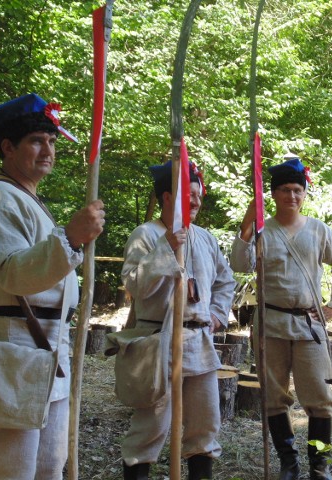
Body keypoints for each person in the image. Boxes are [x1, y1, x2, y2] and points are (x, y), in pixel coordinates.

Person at [0, 93, 105, 479]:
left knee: (47, 465)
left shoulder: (28, 199)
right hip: (15, 347)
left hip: (46, 348)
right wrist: (72, 237)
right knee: (7, 469)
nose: (48, 150)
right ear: (8, 147)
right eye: (36, 141)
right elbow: (14, 274)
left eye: (53, 141)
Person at [230, 154, 332, 480]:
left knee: (320, 397)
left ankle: (319, 465)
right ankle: (288, 463)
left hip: (309, 324)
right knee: (273, 397)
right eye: (285, 189)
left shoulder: (318, 231)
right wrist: (245, 228)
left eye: (298, 190)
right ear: (273, 194)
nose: (292, 196)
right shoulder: (262, 231)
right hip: (270, 324)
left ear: (304, 193)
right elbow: (240, 266)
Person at [119, 160, 235, 480]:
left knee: (205, 423)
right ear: (167, 198)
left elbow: (226, 281)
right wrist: (165, 249)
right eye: (189, 195)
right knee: (151, 425)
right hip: (158, 341)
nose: (196, 201)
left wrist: (215, 315)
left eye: (198, 195)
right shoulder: (146, 234)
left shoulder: (206, 238)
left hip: (199, 342)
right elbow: (135, 285)